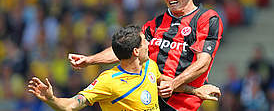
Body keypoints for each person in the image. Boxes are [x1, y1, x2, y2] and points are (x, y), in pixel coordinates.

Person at [69, 0, 224, 110]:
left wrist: (173, 83)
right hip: (148, 99)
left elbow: (203, 63)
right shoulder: (155, 24)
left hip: (180, 105)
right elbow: (126, 48)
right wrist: (90, 60)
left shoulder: (206, 19)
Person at [28, 25, 221, 110]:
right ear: (136, 51)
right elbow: (71, 105)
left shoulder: (150, 66)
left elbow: (167, 85)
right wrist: (51, 99)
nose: (149, 44)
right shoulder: (107, 81)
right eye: (145, 41)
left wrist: (197, 91)